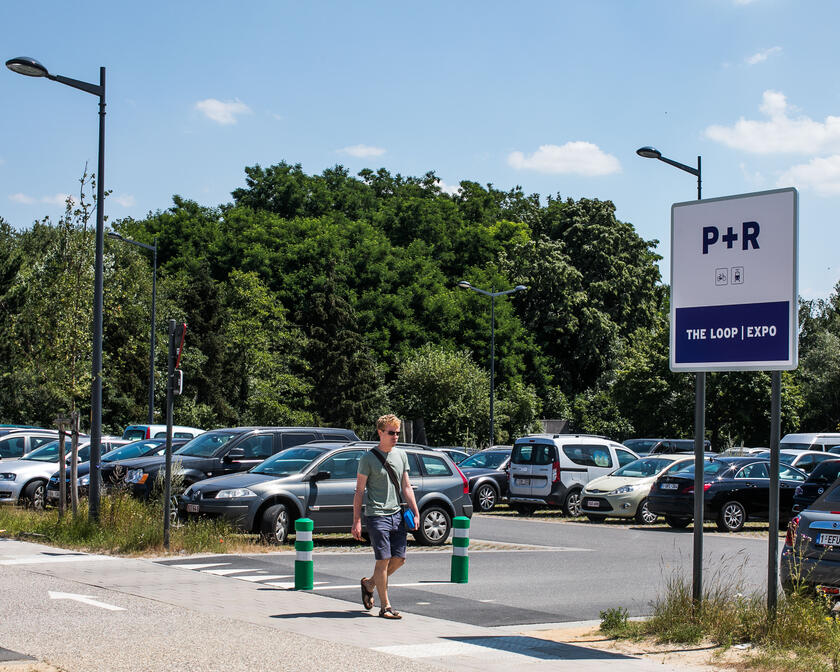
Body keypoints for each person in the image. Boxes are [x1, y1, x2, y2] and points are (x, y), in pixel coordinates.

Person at [352, 414, 420, 619]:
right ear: (380, 432)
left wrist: (415, 512)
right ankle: (386, 607)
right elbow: (359, 491)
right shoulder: (368, 459)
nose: (395, 436)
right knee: (384, 559)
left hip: (397, 514)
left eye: (397, 433)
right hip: (376, 515)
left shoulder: (401, 455)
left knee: (399, 559)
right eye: (391, 433)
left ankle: (370, 583)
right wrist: (356, 520)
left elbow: (407, 486)